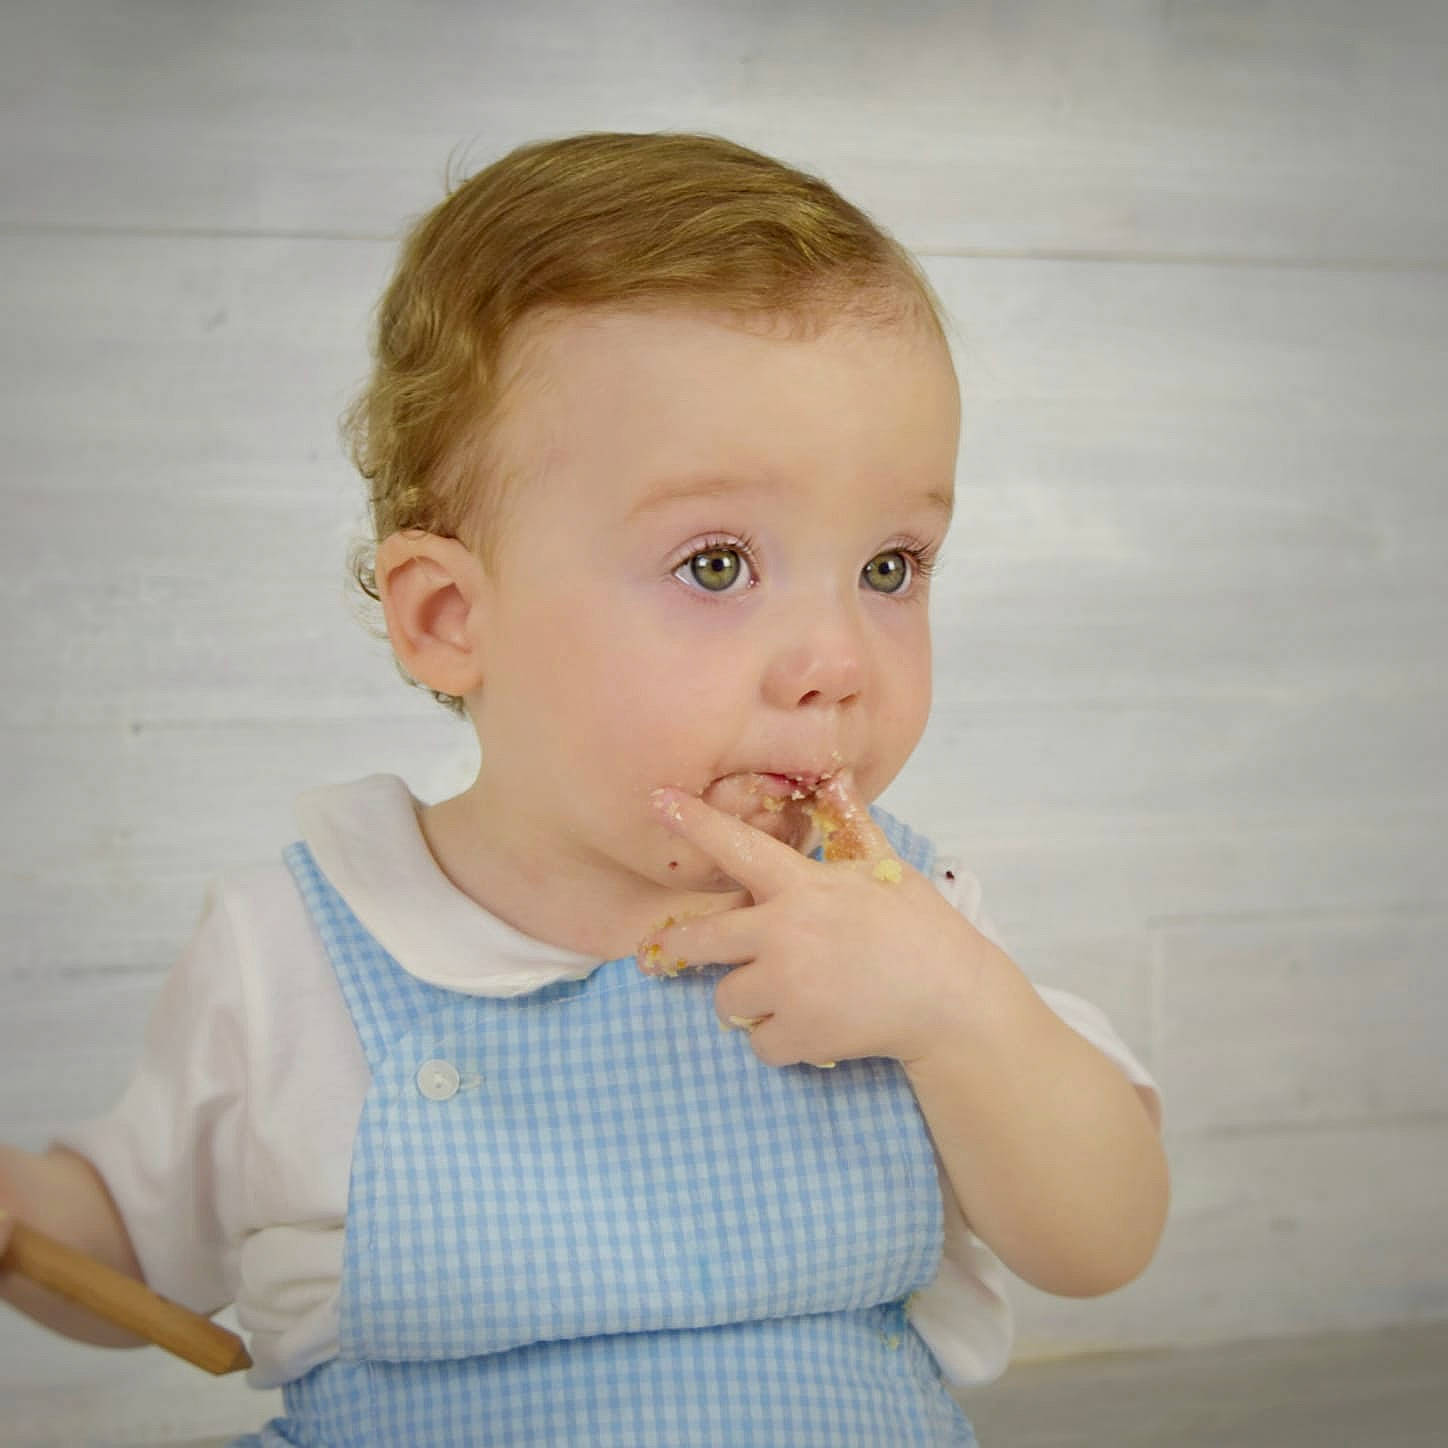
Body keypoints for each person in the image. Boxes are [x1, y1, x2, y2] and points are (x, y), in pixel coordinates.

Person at [0, 131, 1168, 1446]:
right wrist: (30, 1218)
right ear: (448, 617)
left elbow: (1102, 1237)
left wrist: (962, 1017)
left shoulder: (904, 920)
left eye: (891, 566)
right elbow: (130, 1244)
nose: (838, 661)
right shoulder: (302, 955)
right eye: (719, 566)